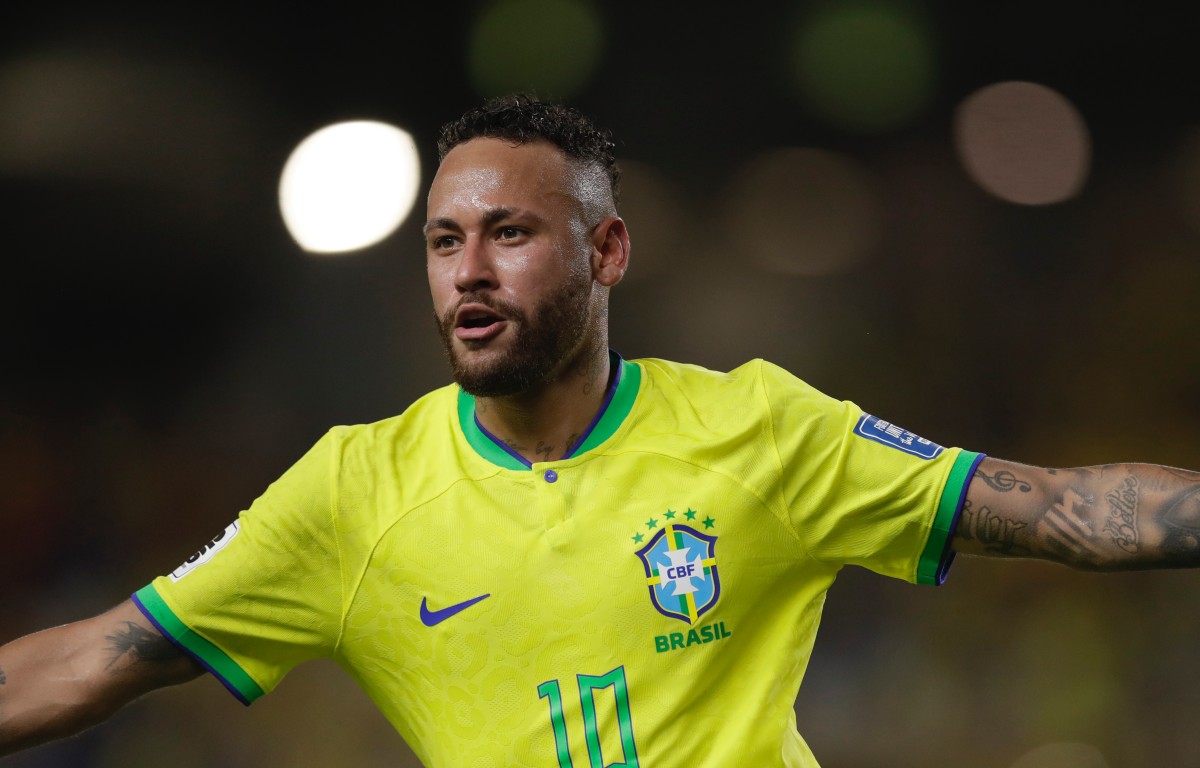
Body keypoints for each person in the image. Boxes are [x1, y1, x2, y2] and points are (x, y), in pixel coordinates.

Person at [2, 94, 1199, 767]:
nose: (468, 272)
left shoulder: (757, 434)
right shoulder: (353, 495)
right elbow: (98, 658)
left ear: (607, 251)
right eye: (442, 242)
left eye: (509, 235)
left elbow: (1061, 510)